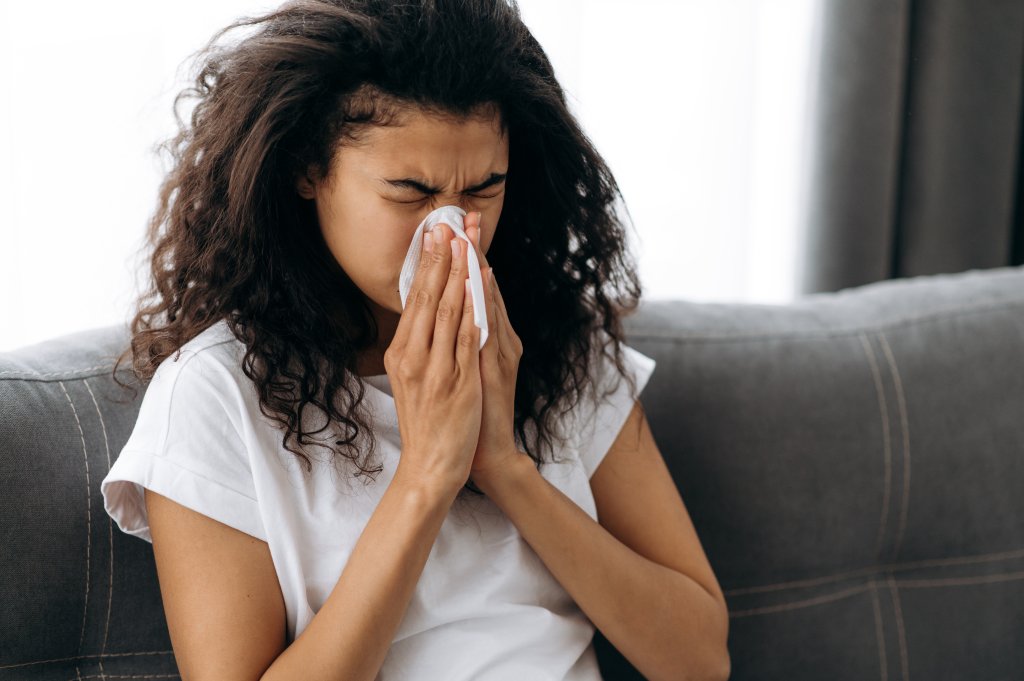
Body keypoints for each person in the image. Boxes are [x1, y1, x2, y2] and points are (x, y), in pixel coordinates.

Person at [100, 0, 731, 679]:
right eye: (411, 192)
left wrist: (504, 467)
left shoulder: (554, 346)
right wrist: (428, 475)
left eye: (485, 188)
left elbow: (699, 659)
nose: (454, 231)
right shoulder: (214, 395)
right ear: (307, 171)